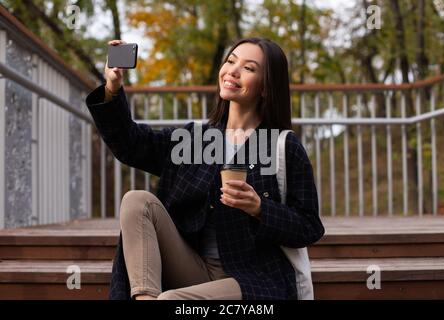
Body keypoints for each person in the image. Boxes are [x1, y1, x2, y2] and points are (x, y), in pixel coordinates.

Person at [86, 37, 325, 300]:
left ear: (267, 87)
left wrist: (259, 208)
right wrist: (112, 87)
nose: (233, 71)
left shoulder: (284, 146)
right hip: (192, 266)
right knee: (137, 201)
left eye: (249, 68)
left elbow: (309, 227)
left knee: (170, 301)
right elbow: (131, 144)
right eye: (231, 61)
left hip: (252, 278)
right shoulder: (194, 139)